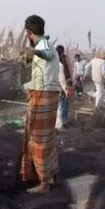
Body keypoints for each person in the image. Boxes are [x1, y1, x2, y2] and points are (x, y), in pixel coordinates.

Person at [21, 14, 60, 193]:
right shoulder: (45, 43)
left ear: (29, 32)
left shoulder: (44, 46)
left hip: (43, 95)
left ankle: (44, 182)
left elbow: (49, 55)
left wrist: (34, 52)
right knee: (44, 137)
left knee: (38, 139)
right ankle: (50, 174)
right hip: (43, 93)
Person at [55, 45, 73, 129]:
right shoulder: (60, 64)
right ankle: (59, 125)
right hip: (59, 88)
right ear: (61, 53)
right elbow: (62, 79)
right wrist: (66, 90)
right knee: (60, 107)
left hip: (49, 87)